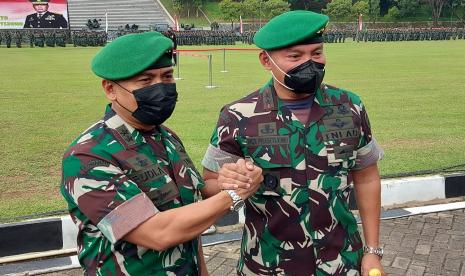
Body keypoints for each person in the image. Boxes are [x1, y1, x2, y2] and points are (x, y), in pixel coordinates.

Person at [60, 32, 263, 275]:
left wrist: (233, 178)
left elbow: (190, 211)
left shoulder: (166, 138)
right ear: (110, 89)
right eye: (145, 81)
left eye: (166, 77)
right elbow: (157, 233)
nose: (161, 88)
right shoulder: (88, 156)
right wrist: (233, 194)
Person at [202, 10, 385, 275]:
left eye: (317, 53)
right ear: (266, 60)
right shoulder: (237, 116)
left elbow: (367, 178)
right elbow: (207, 184)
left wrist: (372, 251)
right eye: (295, 56)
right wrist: (228, 181)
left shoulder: (349, 107)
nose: (309, 63)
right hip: (268, 265)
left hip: (342, 263)